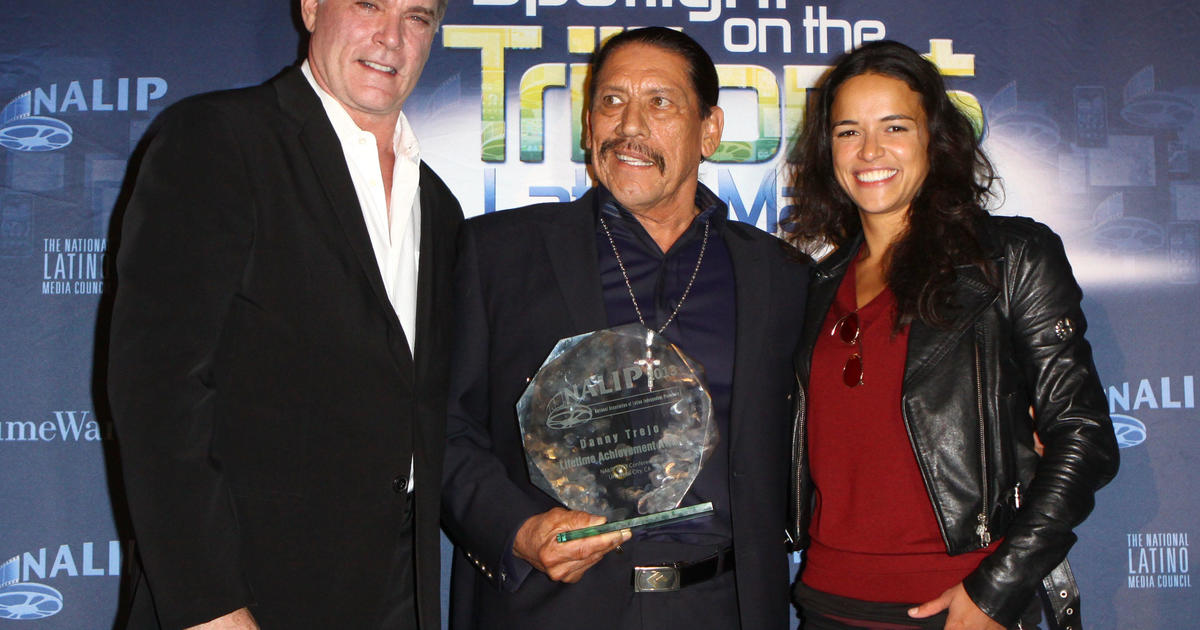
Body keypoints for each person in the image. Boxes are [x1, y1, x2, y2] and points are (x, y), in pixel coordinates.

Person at [107, 0, 461, 628]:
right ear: (311, 7)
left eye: (417, 17)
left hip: (394, 595)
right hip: (243, 597)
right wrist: (209, 606)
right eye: (369, 5)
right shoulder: (218, 138)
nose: (391, 37)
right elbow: (157, 388)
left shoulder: (439, 206)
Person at [440, 26, 808, 630]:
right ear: (588, 125)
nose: (629, 125)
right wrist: (519, 529)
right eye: (611, 102)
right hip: (552, 609)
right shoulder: (498, 253)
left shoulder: (782, 276)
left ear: (709, 131)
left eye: (660, 102)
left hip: (725, 607)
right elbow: (443, 428)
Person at [781, 40, 1119, 630]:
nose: (870, 151)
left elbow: (1084, 438)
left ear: (935, 138)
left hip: (961, 607)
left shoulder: (1009, 259)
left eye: (895, 126)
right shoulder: (814, 287)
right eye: (847, 131)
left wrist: (997, 588)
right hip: (828, 604)